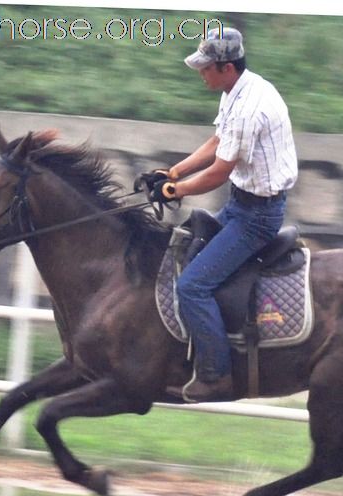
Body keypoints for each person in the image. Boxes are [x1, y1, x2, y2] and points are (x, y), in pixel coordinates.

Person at [138, 26, 298, 403]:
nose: (201, 73)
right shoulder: (236, 91)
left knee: (192, 286)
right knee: (186, 257)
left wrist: (175, 191)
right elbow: (215, 142)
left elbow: (219, 171)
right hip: (242, 204)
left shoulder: (250, 106)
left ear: (226, 67)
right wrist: (172, 172)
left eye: (206, 67)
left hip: (256, 216)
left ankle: (216, 376)